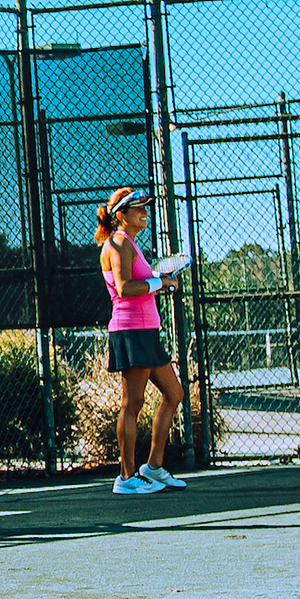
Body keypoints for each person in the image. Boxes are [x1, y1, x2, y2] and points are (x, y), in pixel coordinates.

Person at [96, 187, 188, 495]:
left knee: (174, 393)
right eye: (139, 208)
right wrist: (162, 282)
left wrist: (158, 282)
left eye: (146, 207)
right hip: (129, 331)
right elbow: (124, 288)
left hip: (147, 331)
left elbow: (142, 284)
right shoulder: (117, 243)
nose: (145, 212)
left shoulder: (131, 244)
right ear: (121, 215)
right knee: (132, 403)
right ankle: (126, 477)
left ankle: (155, 467)